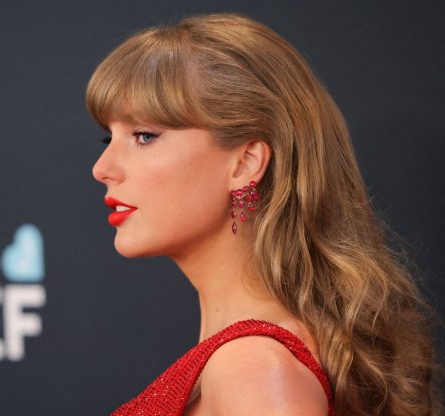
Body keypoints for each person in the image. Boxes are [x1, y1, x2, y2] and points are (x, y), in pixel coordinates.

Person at [87, 13, 437, 416]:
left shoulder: (254, 371)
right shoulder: (252, 361)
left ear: (246, 163)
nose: (102, 167)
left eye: (144, 136)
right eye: (106, 136)